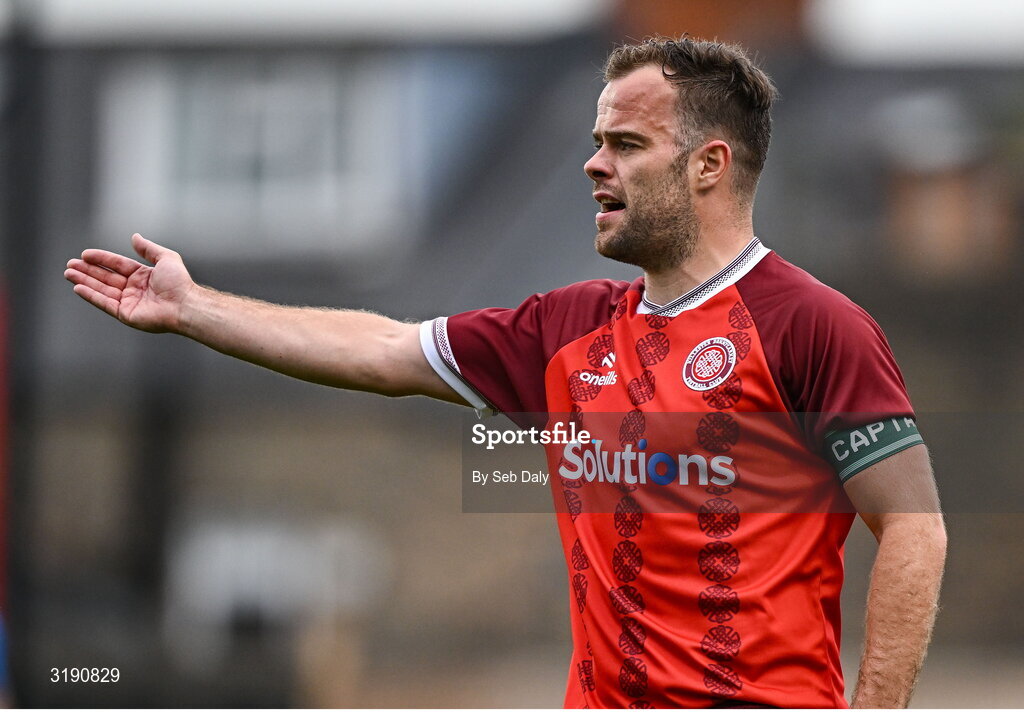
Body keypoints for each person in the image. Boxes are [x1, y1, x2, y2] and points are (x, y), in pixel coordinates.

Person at [65, 37, 946, 708]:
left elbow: (913, 530)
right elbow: (381, 349)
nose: (595, 163)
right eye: (598, 141)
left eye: (628, 143)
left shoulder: (811, 326)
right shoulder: (565, 331)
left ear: (709, 164)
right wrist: (194, 309)